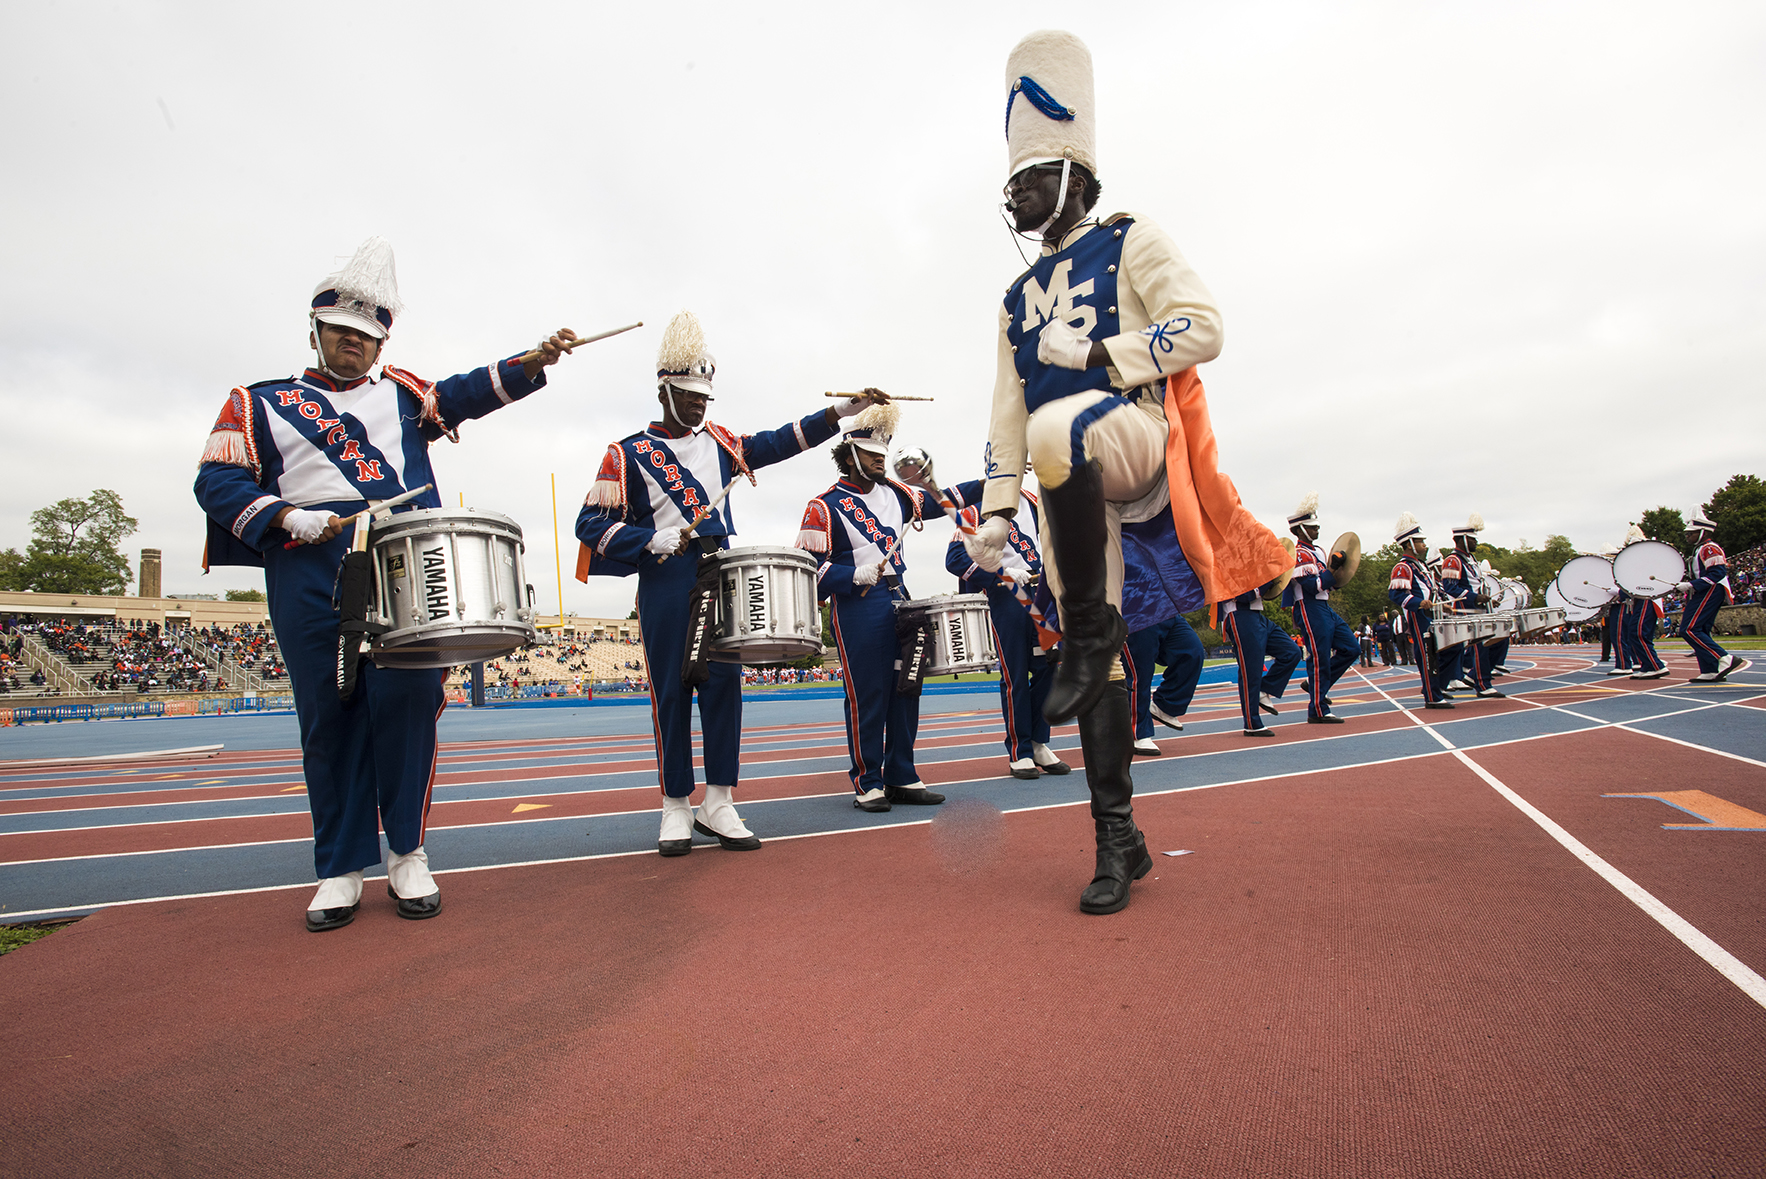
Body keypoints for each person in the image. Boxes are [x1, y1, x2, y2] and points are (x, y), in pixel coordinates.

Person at [966, 30, 1285, 915]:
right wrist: (996, 510)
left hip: (1135, 438)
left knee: (1061, 419)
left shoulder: (1131, 236)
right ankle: (1117, 839)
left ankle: (1089, 634)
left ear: (1072, 172)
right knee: (1049, 440)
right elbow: (1004, 410)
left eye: (1031, 177)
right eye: (1013, 179)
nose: (1017, 193)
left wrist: (1108, 354)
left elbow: (1205, 327)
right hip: (1065, 481)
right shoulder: (1008, 301)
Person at [194, 237, 574, 932]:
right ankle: (340, 866)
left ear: (381, 343)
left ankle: (407, 852)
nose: (352, 344)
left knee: (406, 706)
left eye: (365, 336)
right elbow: (215, 481)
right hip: (308, 563)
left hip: (403, 564)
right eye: (340, 331)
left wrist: (533, 361)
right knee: (328, 716)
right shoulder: (259, 402)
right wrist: (284, 515)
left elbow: (464, 392)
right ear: (315, 331)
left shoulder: (404, 394)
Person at [574, 311, 874, 855]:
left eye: (704, 396)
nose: (698, 404)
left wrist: (840, 413)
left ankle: (720, 800)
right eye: (688, 393)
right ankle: (674, 805)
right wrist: (647, 540)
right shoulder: (626, 452)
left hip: (721, 575)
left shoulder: (723, 443)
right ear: (664, 389)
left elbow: (783, 441)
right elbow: (589, 524)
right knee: (671, 691)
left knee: (723, 691)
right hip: (666, 578)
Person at [796, 403, 944, 813]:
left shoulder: (899, 495)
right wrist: (850, 576)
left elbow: (947, 501)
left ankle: (901, 773)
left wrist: (994, 480)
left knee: (907, 687)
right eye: (873, 455)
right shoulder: (823, 506)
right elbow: (807, 571)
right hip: (860, 604)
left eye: (884, 455)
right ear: (850, 457)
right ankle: (868, 780)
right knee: (868, 693)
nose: (881, 462)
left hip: (902, 596)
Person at [942, 472, 1070, 779]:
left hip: (1044, 595)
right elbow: (955, 559)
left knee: (1047, 668)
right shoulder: (976, 509)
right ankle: (1019, 749)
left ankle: (1039, 741)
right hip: (1008, 596)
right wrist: (1004, 572)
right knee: (1015, 673)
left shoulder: (1036, 504)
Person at [1281, 493, 1358, 723]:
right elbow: (1313, 586)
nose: (1317, 530)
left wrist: (1335, 571)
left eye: (1317, 526)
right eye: (1313, 527)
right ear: (1301, 529)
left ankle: (1314, 686)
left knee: (1351, 648)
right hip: (1309, 607)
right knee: (1319, 657)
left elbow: (1329, 584)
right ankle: (1317, 708)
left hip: (1324, 607)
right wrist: (1332, 570)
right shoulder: (1299, 554)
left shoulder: (1319, 552)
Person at [1388, 514, 1457, 709]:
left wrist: (1440, 605)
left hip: (1433, 615)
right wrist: (1420, 603)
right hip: (1419, 618)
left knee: (1454, 647)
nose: (1424, 545)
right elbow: (1396, 595)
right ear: (1409, 544)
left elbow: (1431, 592)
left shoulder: (1420, 566)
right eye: (1420, 541)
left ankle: (1436, 687)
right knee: (1428, 656)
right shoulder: (1403, 567)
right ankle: (1432, 695)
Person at [1438, 514, 1504, 699]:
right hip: (1466, 610)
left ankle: (1469, 679)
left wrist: (1488, 599)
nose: (1476, 543)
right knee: (1476, 648)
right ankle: (1481, 683)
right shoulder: (1453, 560)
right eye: (1472, 539)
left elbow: (1477, 584)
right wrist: (1475, 598)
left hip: (1479, 609)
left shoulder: (1471, 559)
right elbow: (1450, 587)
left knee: (1492, 642)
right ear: (1463, 540)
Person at [1679, 514, 1749, 682]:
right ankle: (1710, 669)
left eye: (1691, 533)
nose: (1688, 536)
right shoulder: (1699, 549)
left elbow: (1718, 572)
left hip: (1710, 590)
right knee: (1701, 629)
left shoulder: (1709, 548)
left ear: (1702, 532)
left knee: (1688, 629)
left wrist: (1692, 585)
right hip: (1705, 589)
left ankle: (1724, 658)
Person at [1125, 613, 1206, 752]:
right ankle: (1136, 732)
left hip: (1166, 608)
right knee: (1139, 672)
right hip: (1135, 609)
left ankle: (1166, 705)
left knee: (1193, 651)